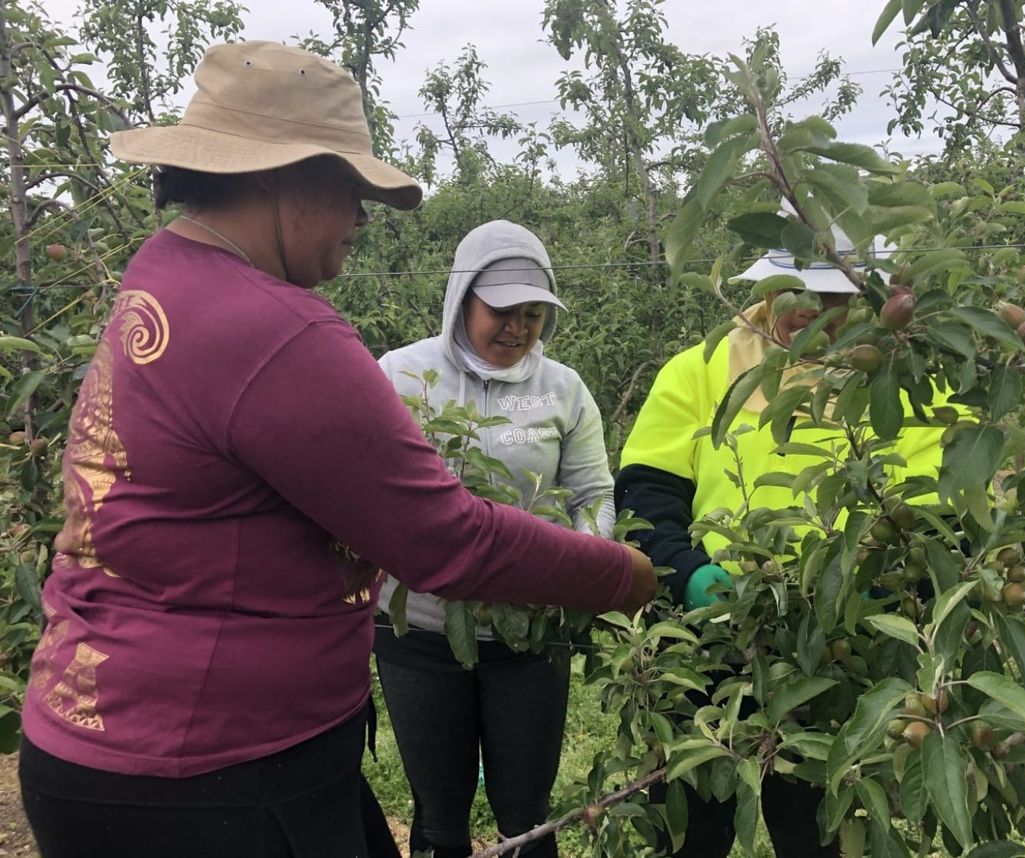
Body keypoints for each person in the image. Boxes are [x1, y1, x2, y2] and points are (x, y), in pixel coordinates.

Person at [17, 41, 656, 858]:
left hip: (110, 731)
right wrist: (620, 575)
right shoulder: (276, 330)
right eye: (350, 188)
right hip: (209, 772)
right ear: (282, 175)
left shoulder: (166, 271)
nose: (361, 217)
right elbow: (447, 541)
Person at [615, 229, 943, 857]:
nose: (810, 309)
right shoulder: (702, 369)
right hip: (710, 634)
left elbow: (934, 500)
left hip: (840, 643)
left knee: (824, 828)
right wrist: (687, 572)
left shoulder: (892, 379)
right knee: (690, 827)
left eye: (832, 295)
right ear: (767, 290)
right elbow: (646, 494)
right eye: (796, 290)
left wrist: (888, 574)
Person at [372, 219, 614, 858]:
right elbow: (367, 491)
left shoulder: (563, 389)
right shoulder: (398, 376)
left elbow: (593, 496)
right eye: (501, 311)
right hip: (419, 632)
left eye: (533, 313)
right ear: (462, 300)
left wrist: (577, 572)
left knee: (527, 813)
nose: (518, 327)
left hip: (530, 635)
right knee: (438, 813)